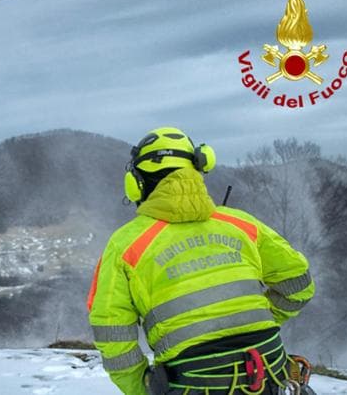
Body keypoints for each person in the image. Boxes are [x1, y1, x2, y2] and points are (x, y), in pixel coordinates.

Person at [87, 127, 314, 395]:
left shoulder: (124, 245)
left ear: (135, 184)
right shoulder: (241, 223)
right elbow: (299, 285)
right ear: (198, 169)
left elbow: (112, 333)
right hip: (271, 376)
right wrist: (261, 319)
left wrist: (141, 386)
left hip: (189, 385)